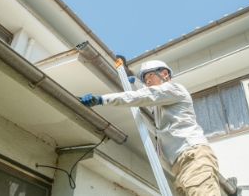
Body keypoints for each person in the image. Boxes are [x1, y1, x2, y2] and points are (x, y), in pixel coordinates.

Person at [80, 60, 221, 196]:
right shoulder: (162, 101)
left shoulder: (173, 89)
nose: (147, 81)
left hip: (192, 155)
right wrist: (135, 82)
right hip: (179, 164)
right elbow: (148, 93)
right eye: (145, 79)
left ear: (165, 74)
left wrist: (101, 99)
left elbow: (144, 95)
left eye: (150, 76)